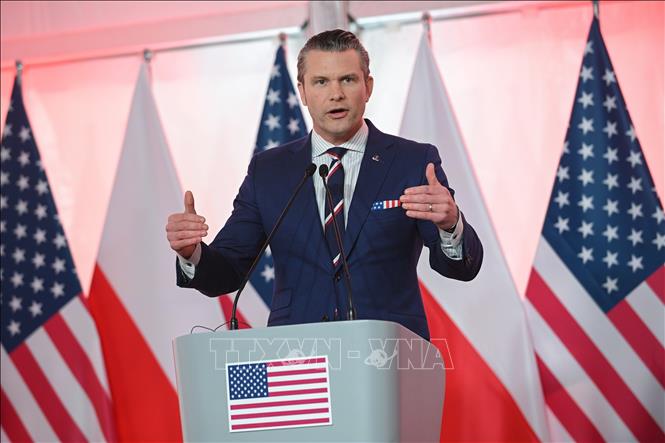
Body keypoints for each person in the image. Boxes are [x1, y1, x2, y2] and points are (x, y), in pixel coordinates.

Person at [166, 29, 483, 340]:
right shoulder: (269, 171)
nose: (336, 94)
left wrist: (450, 224)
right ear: (303, 92)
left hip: (388, 352)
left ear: (368, 87)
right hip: (298, 355)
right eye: (321, 82)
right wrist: (192, 254)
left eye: (348, 79)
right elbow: (227, 272)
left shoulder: (412, 162)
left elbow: (460, 268)